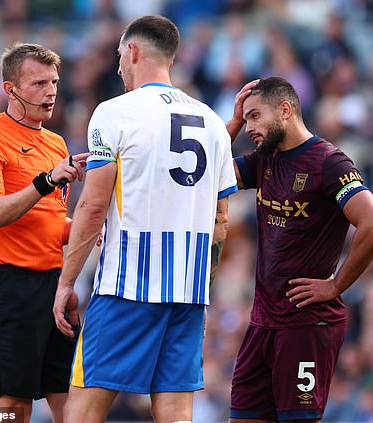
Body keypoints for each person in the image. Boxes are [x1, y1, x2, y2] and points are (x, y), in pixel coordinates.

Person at [52, 15, 238, 423]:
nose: (118, 66)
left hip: (127, 288)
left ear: (133, 51)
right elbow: (221, 221)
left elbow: (93, 206)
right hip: (187, 294)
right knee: (175, 412)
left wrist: (66, 282)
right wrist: (201, 294)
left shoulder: (114, 113)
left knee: (81, 412)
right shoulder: (213, 123)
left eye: (119, 55)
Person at [227, 77, 373, 422]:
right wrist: (234, 122)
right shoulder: (264, 160)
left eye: (255, 116)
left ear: (285, 110)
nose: (250, 127)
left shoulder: (329, 163)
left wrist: (335, 285)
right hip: (262, 322)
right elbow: (209, 175)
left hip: (306, 323)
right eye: (247, 119)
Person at [0, 42, 89, 423]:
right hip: (10, 286)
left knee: (71, 400)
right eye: (38, 83)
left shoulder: (55, 142)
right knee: (14, 407)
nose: (50, 91)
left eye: (53, 81)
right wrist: (45, 181)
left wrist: (88, 229)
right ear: (10, 89)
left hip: (55, 285)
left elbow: (51, 222)